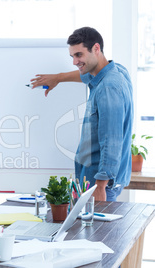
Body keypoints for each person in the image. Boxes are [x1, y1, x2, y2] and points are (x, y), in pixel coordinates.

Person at [30, 27, 133, 202]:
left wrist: (100, 186)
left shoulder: (109, 87)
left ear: (96, 49)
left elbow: (112, 140)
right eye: (72, 56)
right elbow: (85, 76)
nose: (75, 62)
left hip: (100, 186)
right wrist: (58, 78)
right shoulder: (114, 72)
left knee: (94, 230)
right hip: (94, 183)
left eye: (79, 55)